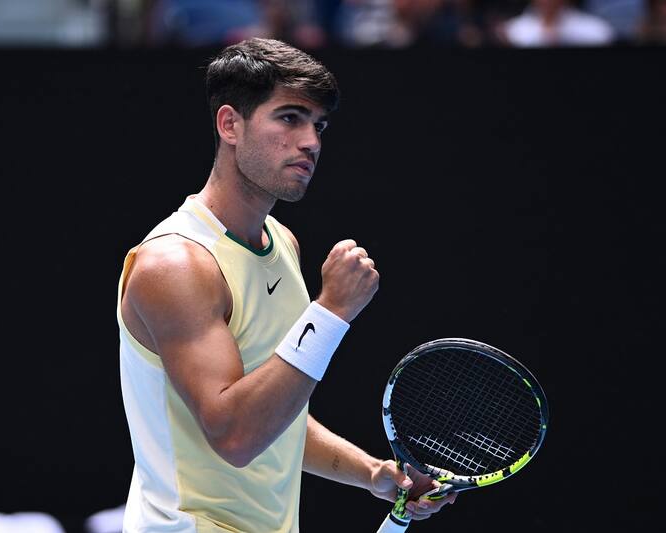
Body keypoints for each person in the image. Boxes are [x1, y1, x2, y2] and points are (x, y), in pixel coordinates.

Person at [116, 37, 457, 532]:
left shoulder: (282, 243)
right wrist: (331, 312)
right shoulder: (177, 264)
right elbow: (236, 435)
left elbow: (274, 415)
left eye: (319, 125)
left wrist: (374, 474)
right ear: (230, 124)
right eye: (290, 118)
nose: (311, 142)